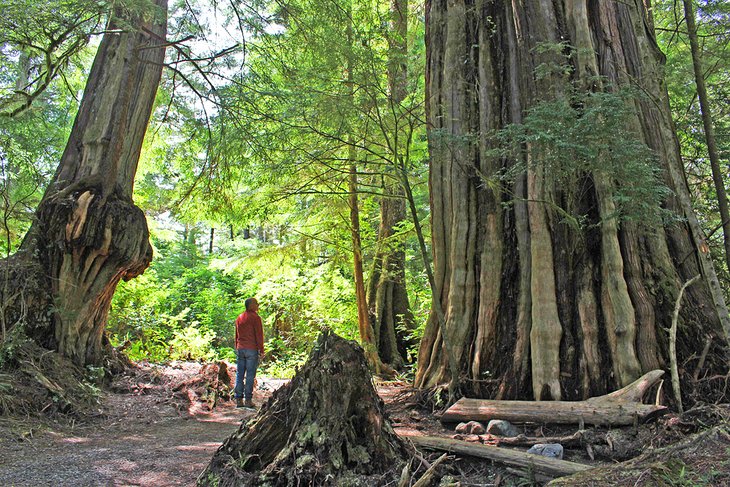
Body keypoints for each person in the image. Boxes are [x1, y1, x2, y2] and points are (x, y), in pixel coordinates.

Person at [234, 297, 264, 408]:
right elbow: (259, 335)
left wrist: (237, 346)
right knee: (250, 375)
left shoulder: (240, 317)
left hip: (241, 349)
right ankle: (248, 400)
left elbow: (236, 334)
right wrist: (261, 350)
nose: (258, 305)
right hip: (251, 349)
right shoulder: (256, 318)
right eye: (256, 303)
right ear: (251, 305)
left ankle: (238, 400)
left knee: (239, 374)